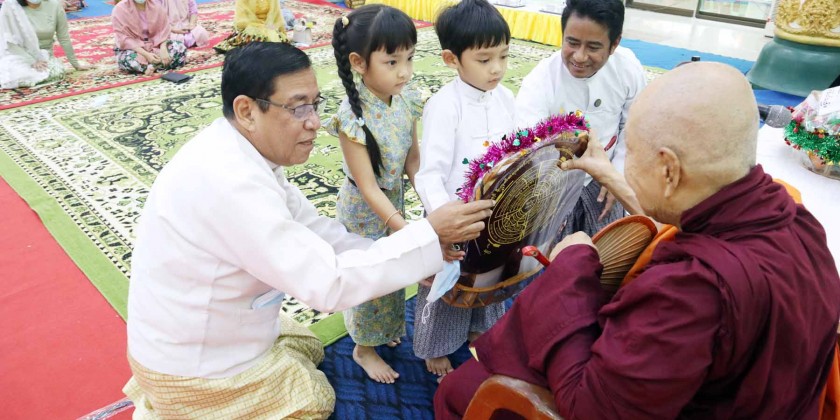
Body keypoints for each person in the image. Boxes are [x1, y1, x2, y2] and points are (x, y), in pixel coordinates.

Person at [435, 62, 840, 419]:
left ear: (669, 170)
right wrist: (607, 174)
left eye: (631, 153)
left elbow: (592, 409)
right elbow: (680, 214)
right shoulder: (798, 221)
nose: (625, 163)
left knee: (459, 392)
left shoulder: (694, 291)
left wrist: (571, 267)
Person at [122, 41, 494, 419]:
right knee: (314, 399)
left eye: (315, 104)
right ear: (247, 111)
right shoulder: (229, 182)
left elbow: (318, 231)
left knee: (308, 347)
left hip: (212, 325)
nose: (315, 122)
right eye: (298, 107)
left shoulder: (242, 152)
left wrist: (422, 252)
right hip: (195, 363)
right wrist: (428, 237)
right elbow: (328, 285)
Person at [412, 0, 512, 380]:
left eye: (503, 56)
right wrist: (446, 222)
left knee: (489, 277)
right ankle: (436, 347)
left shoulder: (505, 98)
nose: (497, 68)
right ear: (451, 59)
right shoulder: (444, 106)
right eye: (485, 59)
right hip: (453, 217)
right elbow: (428, 175)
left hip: (493, 213)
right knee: (447, 286)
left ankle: (479, 331)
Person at [325, 4, 425, 385]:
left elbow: (413, 160)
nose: (405, 71)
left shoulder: (406, 99)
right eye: (392, 61)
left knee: (394, 272)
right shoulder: (352, 117)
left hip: (392, 200)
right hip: (363, 211)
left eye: (409, 58)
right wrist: (404, 229)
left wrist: (429, 200)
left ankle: (384, 331)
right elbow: (368, 187)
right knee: (370, 276)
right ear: (359, 63)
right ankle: (363, 348)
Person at [515, 0, 646, 237]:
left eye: (593, 47)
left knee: (609, 249)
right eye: (572, 43)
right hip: (552, 184)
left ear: (614, 44)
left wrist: (616, 176)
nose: (579, 56)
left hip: (604, 181)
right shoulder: (541, 80)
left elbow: (634, 129)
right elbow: (528, 150)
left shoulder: (628, 69)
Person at [0, 0, 90, 89]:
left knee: (57, 72)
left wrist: (76, 64)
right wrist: (32, 61)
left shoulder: (55, 5)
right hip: (19, 53)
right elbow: (9, 42)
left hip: (44, 54)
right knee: (16, 75)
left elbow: (64, 37)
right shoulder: (10, 7)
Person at [112, 0, 187, 76]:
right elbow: (124, 38)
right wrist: (147, 55)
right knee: (128, 59)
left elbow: (164, 31)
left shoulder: (156, 6)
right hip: (134, 48)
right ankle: (159, 65)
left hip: (155, 45)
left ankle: (152, 67)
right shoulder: (120, 9)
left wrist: (163, 49)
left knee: (180, 48)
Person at [213, 0, 287, 54]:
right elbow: (242, 20)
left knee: (275, 37)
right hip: (251, 25)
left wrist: (274, 27)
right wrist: (259, 26)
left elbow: (276, 15)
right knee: (257, 38)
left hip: (268, 24)